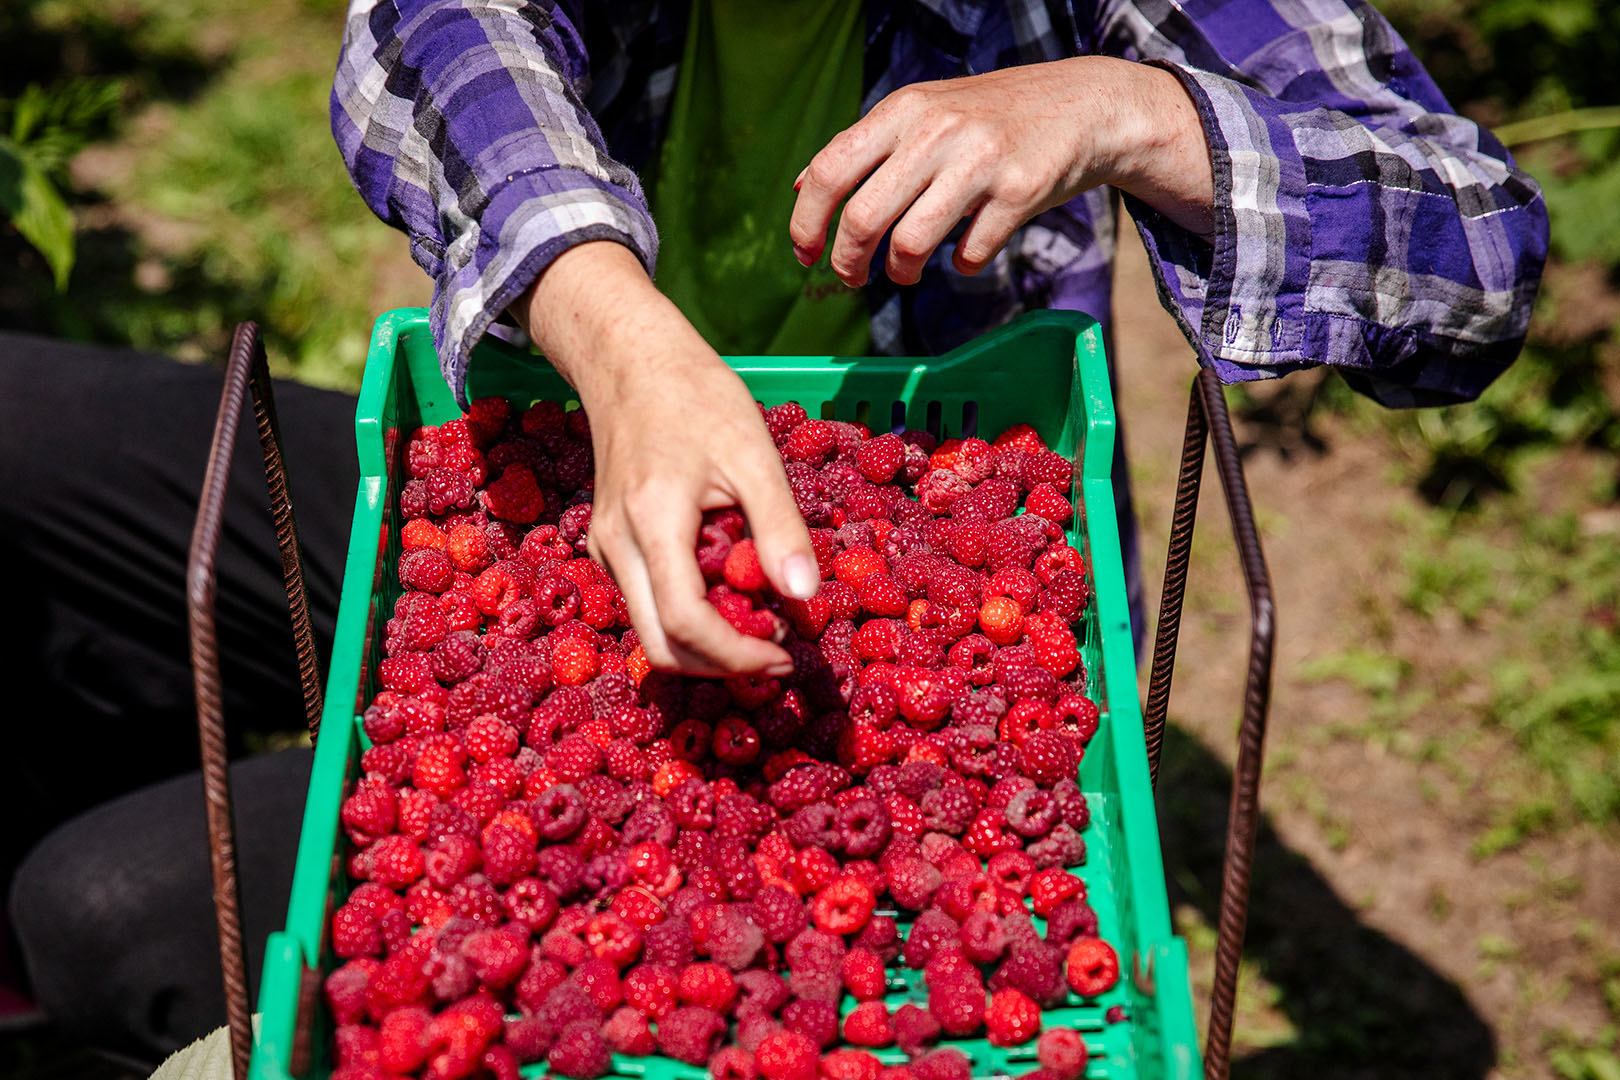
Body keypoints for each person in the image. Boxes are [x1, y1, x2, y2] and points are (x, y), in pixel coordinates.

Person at [7, 0, 1546, 1063]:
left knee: (103, 910)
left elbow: (1480, 245)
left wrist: (1128, 107)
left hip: (864, 604)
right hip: (543, 496)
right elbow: (428, 31)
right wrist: (616, 342)